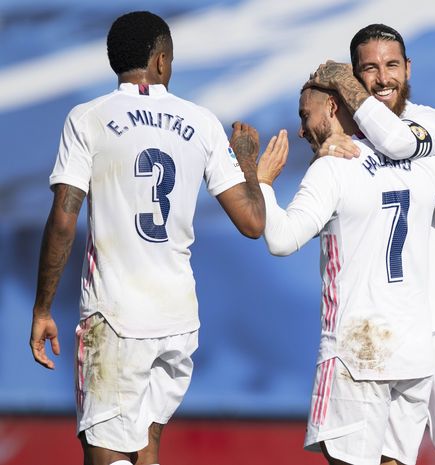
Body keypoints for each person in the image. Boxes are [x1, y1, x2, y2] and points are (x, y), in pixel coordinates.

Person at [28, 11, 268, 465]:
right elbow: (253, 223)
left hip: (117, 314)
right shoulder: (201, 122)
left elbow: (63, 219)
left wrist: (42, 307)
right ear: (160, 62)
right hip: (178, 316)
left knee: (104, 450)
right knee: (145, 445)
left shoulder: (89, 118)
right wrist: (249, 164)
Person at [256, 83, 435, 465]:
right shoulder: (422, 164)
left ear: (333, 107)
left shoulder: (331, 167)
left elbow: (281, 240)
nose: (302, 129)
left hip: (359, 349)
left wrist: (263, 183)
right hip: (414, 352)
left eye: (305, 115)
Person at [307, 24, 435, 465]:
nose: (383, 79)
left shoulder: (432, 123)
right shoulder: (345, 147)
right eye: (369, 69)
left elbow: (397, 141)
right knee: (386, 458)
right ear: (358, 77)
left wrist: (342, 81)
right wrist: (323, 150)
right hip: (384, 325)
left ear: (408, 67)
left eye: (392, 65)